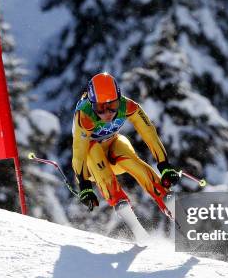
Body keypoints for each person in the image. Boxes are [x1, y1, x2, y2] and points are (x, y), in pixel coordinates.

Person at [71, 72, 180, 221]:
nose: (107, 113)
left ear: (119, 98)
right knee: (93, 148)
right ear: (92, 104)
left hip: (112, 149)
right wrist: (84, 185)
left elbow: (149, 133)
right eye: (101, 108)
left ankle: (165, 197)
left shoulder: (127, 106)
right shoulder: (85, 116)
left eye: (112, 105)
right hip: (91, 164)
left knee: (129, 158)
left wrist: (164, 164)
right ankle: (118, 200)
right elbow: (79, 151)